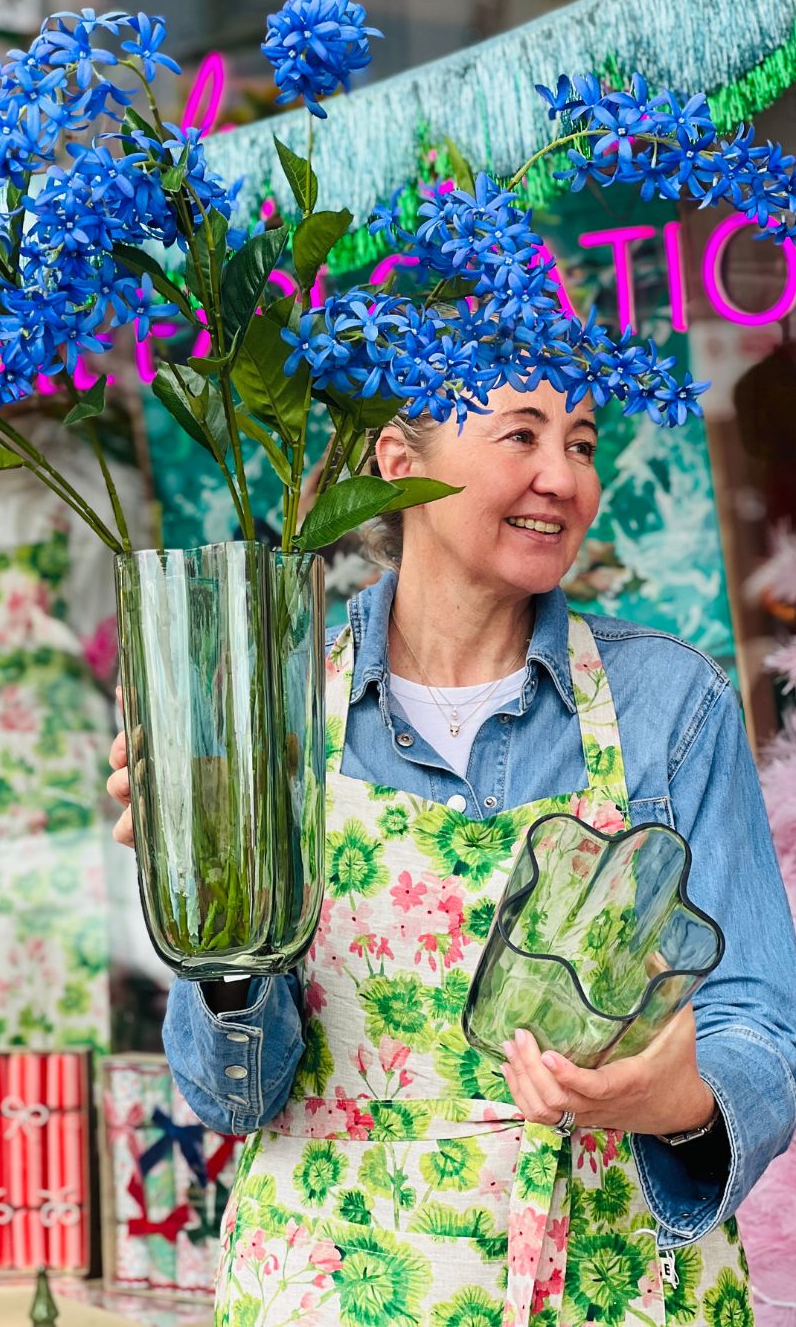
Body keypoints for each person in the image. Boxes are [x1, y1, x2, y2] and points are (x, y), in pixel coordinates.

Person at [108, 381, 796, 1327]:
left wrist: (685, 1100)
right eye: (524, 435)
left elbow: (759, 1022)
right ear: (397, 459)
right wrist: (219, 917)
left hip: (613, 1291)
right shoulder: (276, 707)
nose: (564, 477)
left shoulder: (669, 704)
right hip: (333, 1292)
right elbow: (232, 1096)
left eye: (583, 444)